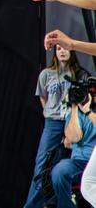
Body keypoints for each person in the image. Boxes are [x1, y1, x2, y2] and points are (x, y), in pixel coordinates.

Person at [23, 43, 91, 207]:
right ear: (55, 52)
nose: (62, 51)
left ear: (71, 51)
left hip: (75, 120)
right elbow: (43, 97)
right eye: (59, 49)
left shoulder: (81, 74)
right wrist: (51, 112)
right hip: (53, 122)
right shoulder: (46, 74)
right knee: (42, 166)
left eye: (65, 48)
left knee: (71, 165)